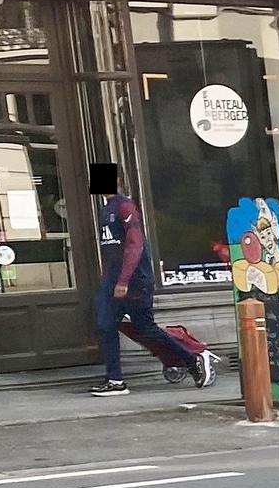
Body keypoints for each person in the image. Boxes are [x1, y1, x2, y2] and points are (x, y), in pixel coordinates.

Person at [88, 162, 214, 397]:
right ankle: (115, 380)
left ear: (117, 180)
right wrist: (109, 278)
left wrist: (124, 280)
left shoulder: (125, 207)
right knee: (105, 325)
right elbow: (109, 249)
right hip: (113, 279)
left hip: (135, 279)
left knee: (144, 328)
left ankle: (192, 359)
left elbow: (135, 245)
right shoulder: (106, 209)